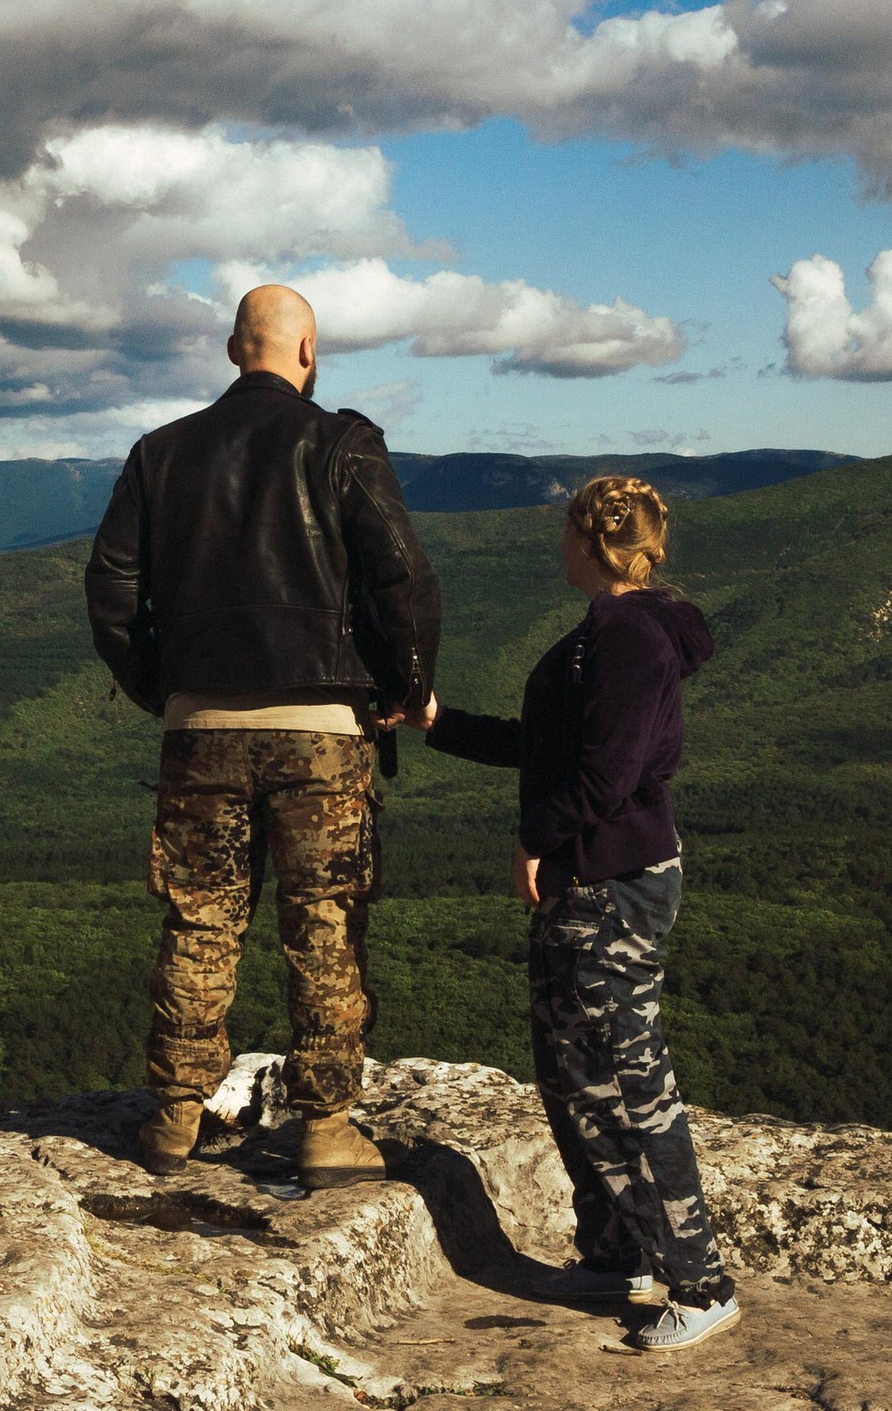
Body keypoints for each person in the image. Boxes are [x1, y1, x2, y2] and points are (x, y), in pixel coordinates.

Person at [85, 283, 441, 1190]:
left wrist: (164, 689)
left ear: (232, 350)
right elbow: (402, 575)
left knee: (200, 917)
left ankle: (173, 1115)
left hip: (198, 724)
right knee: (324, 920)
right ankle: (325, 1126)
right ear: (307, 352)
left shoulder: (159, 454)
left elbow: (112, 588)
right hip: (322, 725)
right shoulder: (341, 443)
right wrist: (404, 688)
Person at [403, 473, 737, 1352]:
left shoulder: (627, 637)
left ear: (589, 542)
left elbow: (607, 776)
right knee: (569, 1070)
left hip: (610, 881)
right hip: (594, 877)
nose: (556, 545)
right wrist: (437, 723)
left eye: (565, 532)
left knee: (630, 1080)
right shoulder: (611, 632)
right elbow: (546, 746)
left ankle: (698, 1282)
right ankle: (616, 1249)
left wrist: (535, 844)